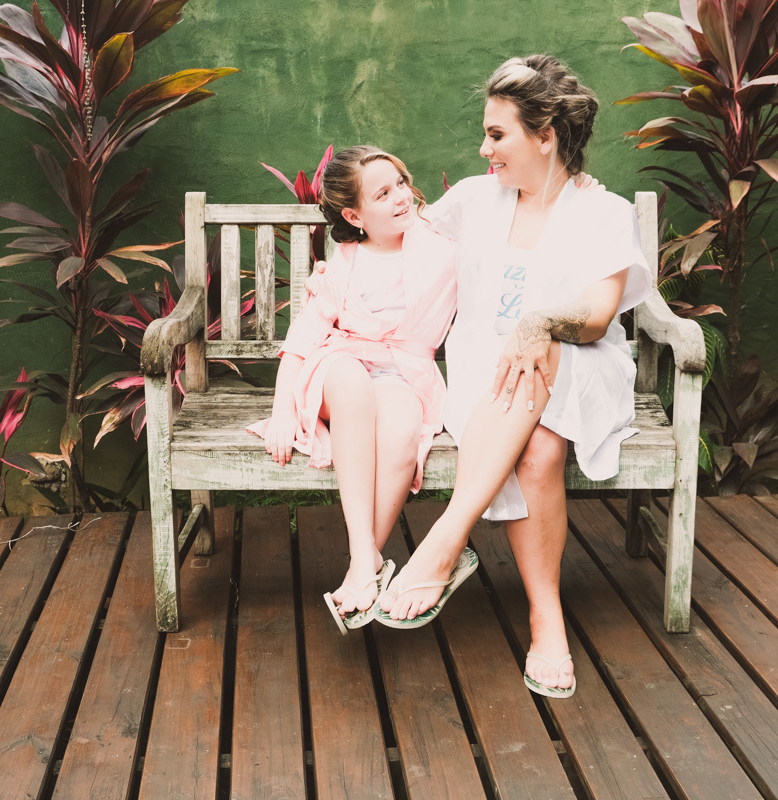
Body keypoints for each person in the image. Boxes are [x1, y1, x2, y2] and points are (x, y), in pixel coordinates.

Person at [375, 55, 652, 699]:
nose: (484, 148)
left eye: (497, 134)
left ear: (547, 132)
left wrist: (539, 323)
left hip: (581, 363)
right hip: (485, 370)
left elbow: (596, 318)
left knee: (541, 348)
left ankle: (444, 546)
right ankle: (545, 618)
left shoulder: (603, 213)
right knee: (538, 449)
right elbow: (399, 243)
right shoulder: (475, 198)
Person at [247, 145, 458, 635]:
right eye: (383, 194)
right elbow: (300, 343)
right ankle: (366, 561)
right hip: (337, 367)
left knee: (405, 433)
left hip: (401, 371)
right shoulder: (345, 262)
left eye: (401, 183)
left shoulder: (439, 247)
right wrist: (282, 410)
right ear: (355, 215)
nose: (402, 197)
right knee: (352, 380)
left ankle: (362, 569)